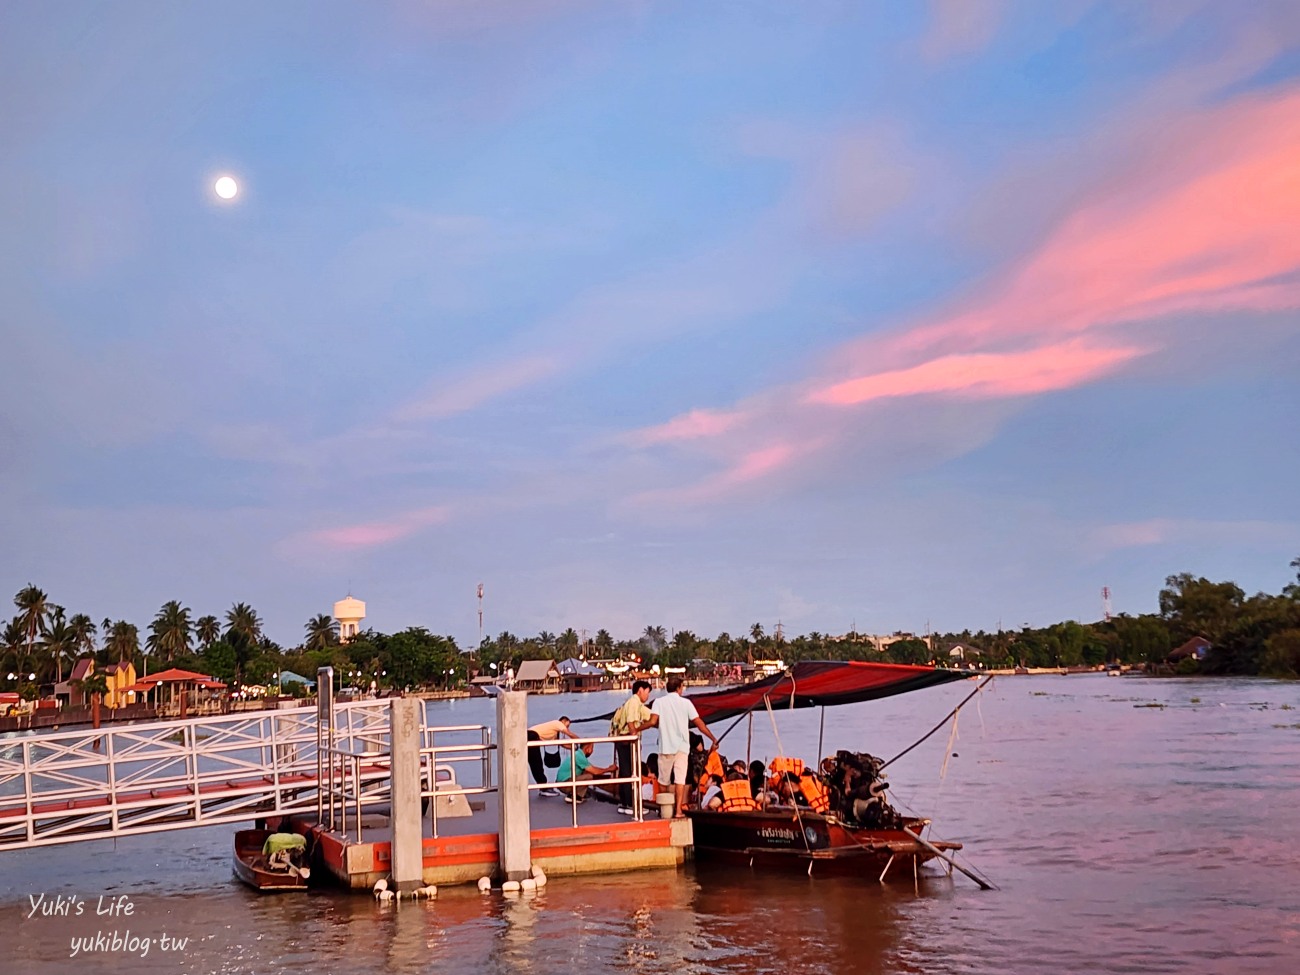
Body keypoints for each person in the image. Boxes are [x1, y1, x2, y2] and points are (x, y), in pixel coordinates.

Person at [650, 676, 718, 819]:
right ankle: (678, 811)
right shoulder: (686, 703)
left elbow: (653, 722)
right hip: (682, 747)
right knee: (680, 780)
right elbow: (699, 723)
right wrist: (712, 738)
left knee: (664, 780)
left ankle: (665, 810)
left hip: (666, 746)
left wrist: (638, 728)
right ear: (679, 688)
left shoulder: (659, 702)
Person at [610, 679, 658, 816]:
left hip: (625, 742)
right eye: (647, 692)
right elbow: (631, 725)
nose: (648, 696)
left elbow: (651, 717)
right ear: (640, 690)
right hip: (626, 742)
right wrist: (635, 739)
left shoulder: (638, 705)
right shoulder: (633, 703)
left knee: (627, 771)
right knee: (629, 772)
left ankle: (625, 803)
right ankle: (630, 804)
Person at [528, 716, 578, 797]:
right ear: (564, 721)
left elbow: (561, 744)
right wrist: (582, 741)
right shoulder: (558, 723)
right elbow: (569, 734)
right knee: (536, 763)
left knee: (535, 764)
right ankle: (543, 788)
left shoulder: (554, 732)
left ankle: (543, 787)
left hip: (530, 736)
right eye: (567, 725)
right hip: (531, 736)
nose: (567, 727)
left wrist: (575, 747)